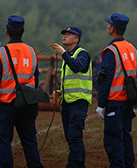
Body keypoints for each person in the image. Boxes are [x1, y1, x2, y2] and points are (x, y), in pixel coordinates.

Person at [0, 15, 43, 168]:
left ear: (7, 32)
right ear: (23, 31)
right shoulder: (32, 52)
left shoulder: (2, 52)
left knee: (4, 139)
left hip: (6, 104)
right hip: (26, 102)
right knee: (29, 139)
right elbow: (36, 78)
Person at [96, 12, 137, 168]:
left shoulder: (111, 50)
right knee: (126, 135)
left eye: (109, 24)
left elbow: (105, 79)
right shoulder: (132, 48)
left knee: (113, 138)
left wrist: (101, 104)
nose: (107, 26)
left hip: (115, 101)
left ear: (112, 28)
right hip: (129, 100)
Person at [51, 26, 92, 168]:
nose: (65, 36)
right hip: (68, 102)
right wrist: (61, 92)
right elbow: (73, 79)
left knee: (74, 137)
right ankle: (79, 165)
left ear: (76, 39)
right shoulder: (68, 57)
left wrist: (63, 53)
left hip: (78, 103)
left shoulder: (82, 54)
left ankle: (73, 165)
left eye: (69, 34)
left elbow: (77, 67)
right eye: (64, 34)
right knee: (71, 138)